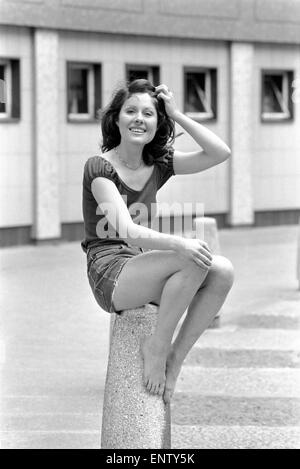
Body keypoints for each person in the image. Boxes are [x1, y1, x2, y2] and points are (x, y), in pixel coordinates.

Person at [81, 79, 234, 405]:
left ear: (157, 123)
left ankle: (175, 359)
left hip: (139, 263)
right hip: (110, 273)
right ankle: (157, 346)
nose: (139, 118)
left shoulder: (159, 164)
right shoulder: (99, 167)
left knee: (222, 270)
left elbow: (220, 152)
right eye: (131, 111)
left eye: (148, 113)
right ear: (116, 119)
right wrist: (180, 244)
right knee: (191, 255)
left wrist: (176, 114)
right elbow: (125, 230)